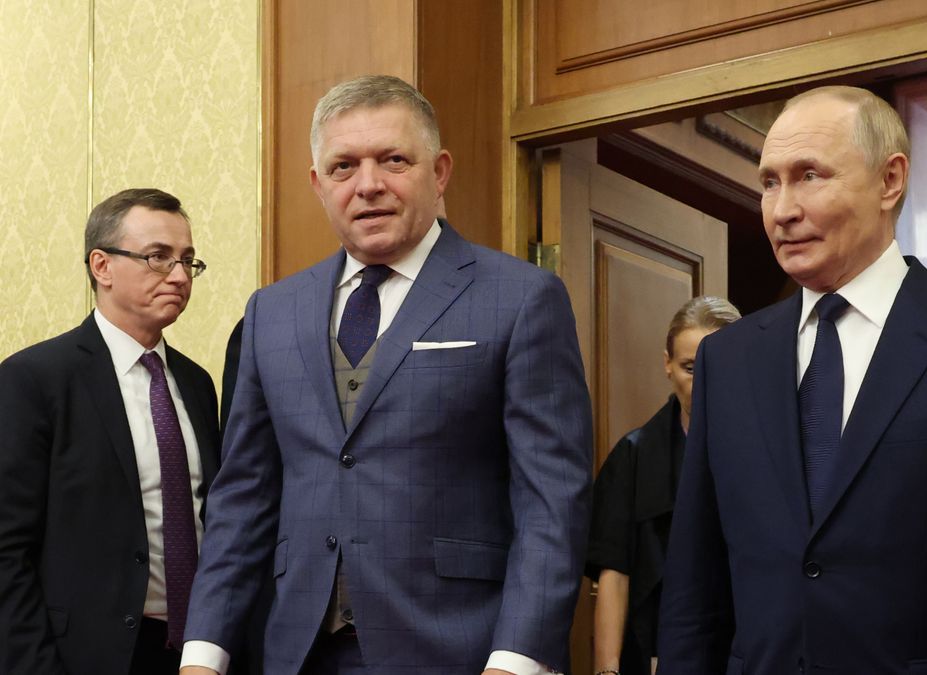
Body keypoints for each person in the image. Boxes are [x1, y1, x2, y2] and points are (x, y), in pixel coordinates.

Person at [655, 86, 927, 674]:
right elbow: (694, 579)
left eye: (809, 175)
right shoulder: (727, 360)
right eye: (769, 182)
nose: (781, 210)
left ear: (890, 181)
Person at [179, 75, 592, 675]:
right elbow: (242, 497)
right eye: (343, 166)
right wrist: (203, 653)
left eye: (393, 160)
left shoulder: (522, 298)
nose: (368, 185)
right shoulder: (272, 311)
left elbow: (553, 502)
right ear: (319, 185)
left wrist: (518, 659)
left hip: (462, 651)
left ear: (440, 171)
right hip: (297, 652)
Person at [0, 188, 219, 674]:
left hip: (196, 651)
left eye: (188, 260)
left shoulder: (197, 383)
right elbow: (6, 551)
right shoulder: (36, 379)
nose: (180, 276)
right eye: (158, 258)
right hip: (84, 655)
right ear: (102, 266)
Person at [588, 296, 741, 675]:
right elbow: (614, 574)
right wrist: (607, 671)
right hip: (654, 649)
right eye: (690, 367)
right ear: (667, 366)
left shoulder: (772, 448)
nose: (703, 381)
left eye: (717, 366)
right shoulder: (633, 456)